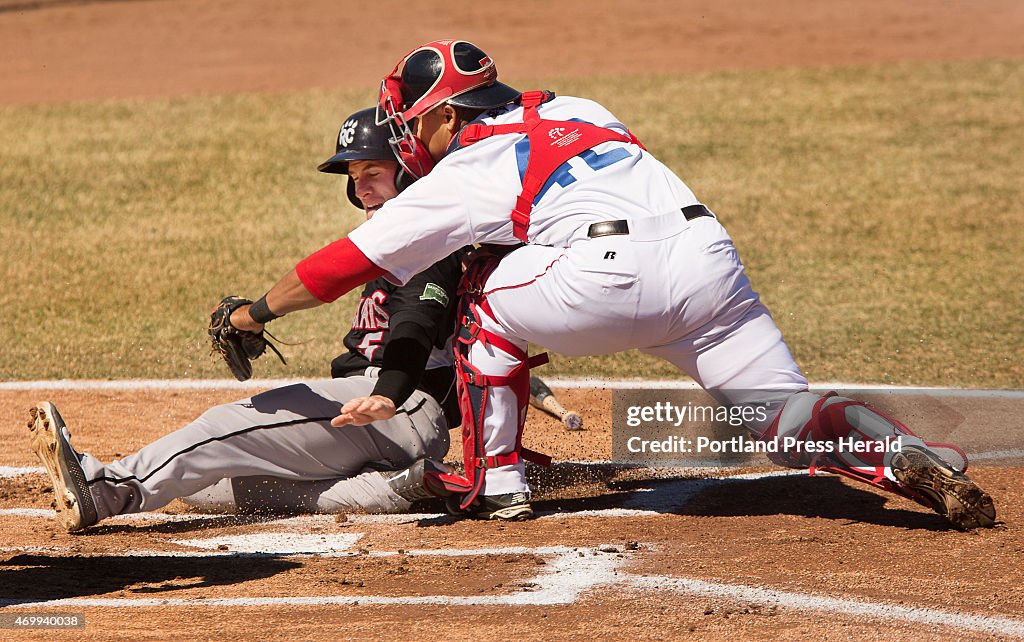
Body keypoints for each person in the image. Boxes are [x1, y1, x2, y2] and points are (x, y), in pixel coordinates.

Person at [217, 40, 994, 529]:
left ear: (443, 117)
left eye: (415, 125)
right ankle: (902, 454)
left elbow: (339, 267)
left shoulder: (464, 169)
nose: (412, 139)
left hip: (605, 276)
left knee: (481, 292)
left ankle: (498, 482)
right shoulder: (576, 106)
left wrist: (255, 311)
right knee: (777, 413)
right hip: (709, 263)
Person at [28, 107, 465, 532]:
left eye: (373, 172)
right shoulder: (393, 245)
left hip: (399, 404)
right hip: (375, 418)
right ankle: (389, 489)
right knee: (206, 485)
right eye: (354, 179)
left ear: (408, 169)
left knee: (219, 428)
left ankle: (105, 489)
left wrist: (388, 392)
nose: (363, 190)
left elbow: (417, 322)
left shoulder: (423, 242)